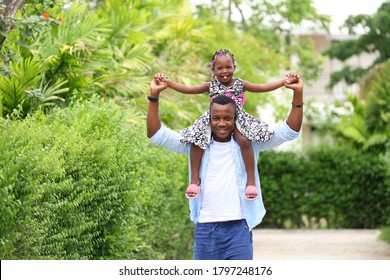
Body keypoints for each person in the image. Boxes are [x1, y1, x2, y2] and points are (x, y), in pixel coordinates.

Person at [146, 70, 303, 260]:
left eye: (227, 118)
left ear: (235, 118)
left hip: (238, 230)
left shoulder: (249, 143)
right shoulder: (195, 145)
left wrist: (297, 94)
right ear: (208, 119)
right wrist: (154, 97)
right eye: (216, 118)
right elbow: (157, 135)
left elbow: (289, 131)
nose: (221, 124)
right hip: (205, 230)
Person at [154, 49, 297, 200]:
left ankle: (251, 181)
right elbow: (189, 89)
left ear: (234, 67)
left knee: (244, 140)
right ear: (213, 70)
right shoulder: (210, 85)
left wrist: (282, 83)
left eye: (228, 67)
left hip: (236, 118)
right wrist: (168, 84)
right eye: (219, 68)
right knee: (196, 140)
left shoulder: (241, 84)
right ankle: (195, 180)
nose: (224, 71)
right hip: (214, 118)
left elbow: (262, 87)